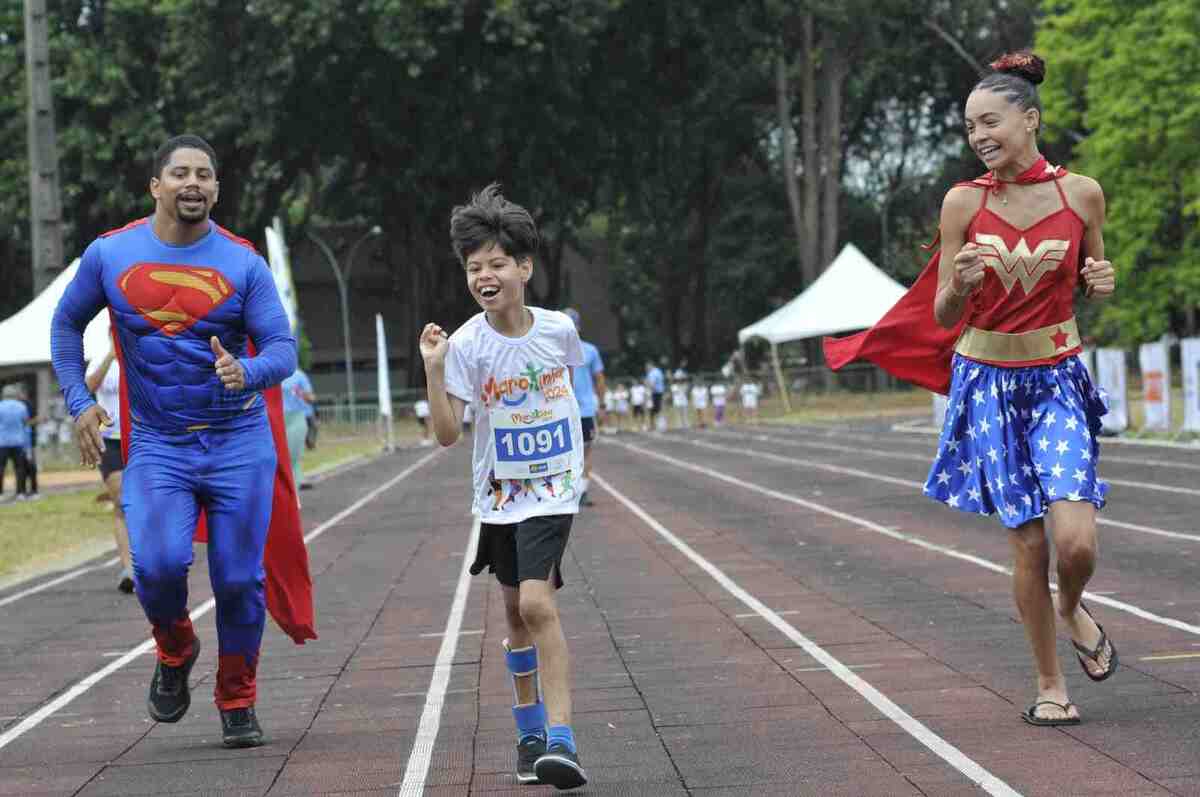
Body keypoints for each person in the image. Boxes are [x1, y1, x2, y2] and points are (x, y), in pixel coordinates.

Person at [827, 53, 1118, 726]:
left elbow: (1095, 273)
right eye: (968, 126)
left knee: (1076, 542)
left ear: (1030, 119)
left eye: (990, 121)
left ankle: (1071, 605)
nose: (979, 135)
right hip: (987, 384)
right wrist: (958, 283)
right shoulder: (964, 202)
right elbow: (940, 316)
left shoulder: (1083, 195)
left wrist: (1103, 283)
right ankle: (1050, 684)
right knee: (1028, 543)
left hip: (1058, 380)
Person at [50, 134, 315, 749]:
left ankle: (238, 697)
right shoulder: (109, 255)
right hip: (160, 444)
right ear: (156, 186)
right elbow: (65, 323)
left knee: (236, 579)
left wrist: (246, 371)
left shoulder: (244, 263)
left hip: (238, 440)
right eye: (180, 174)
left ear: (216, 190)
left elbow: (283, 349)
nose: (192, 184)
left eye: (204, 175)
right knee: (158, 566)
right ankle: (175, 648)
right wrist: (80, 401)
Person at [420, 183, 588, 789]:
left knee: (538, 604)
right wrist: (434, 372)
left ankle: (564, 741)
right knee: (515, 613)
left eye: (496, 264)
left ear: (524, 267)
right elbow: (446, 434)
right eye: (473, 267)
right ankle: (529, 733)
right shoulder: (465, 345)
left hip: (554, 490)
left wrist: (574, 447)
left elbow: (565, 391)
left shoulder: (557, 331)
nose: (484, 275)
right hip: (499, 497)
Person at [86, 347, 134, 592]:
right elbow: (89, 387)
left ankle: (149, 562)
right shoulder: (100, 359)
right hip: (111, 440)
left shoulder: (140, 352)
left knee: (149, 502)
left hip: (141, 437)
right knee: (122, 501)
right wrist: (109, 357)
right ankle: (128, 569)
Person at [562, 308, 606, 508]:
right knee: (567, 453)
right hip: (562, 410)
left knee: (585, 452)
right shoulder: (553, 350)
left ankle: (582, 491)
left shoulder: (589, 350)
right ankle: (571, 491)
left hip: (585, 409)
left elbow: (599, 379)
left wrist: (602, 404)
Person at [280, 367, 316, 490]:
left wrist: (301, 393)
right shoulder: (272, 373)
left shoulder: (299, 375)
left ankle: (294, 490)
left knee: (292, 455)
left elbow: (311, 398)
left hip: (296, 418)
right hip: (276, 418)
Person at [0, 385, 30, 502]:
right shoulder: (21, 406)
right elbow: (25, 424)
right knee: (19, 468)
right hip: (19, 441)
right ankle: (20, 493)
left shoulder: (0, 406)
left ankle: (0, 493)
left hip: (2, 442)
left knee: (1, 468)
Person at [15, 385, 41, 500]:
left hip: (28, 440)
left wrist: (25, 423)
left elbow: (36, 419)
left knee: (30, 466)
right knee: (22, 467)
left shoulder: (26, 405)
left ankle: (33, 491)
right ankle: (23, 491)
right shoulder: (18, 406)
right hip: (20, 440)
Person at [645, 359, 666, 431]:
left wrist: (649, 391)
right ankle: (654, 425)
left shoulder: (654, 372)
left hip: (656, 393)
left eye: (647, 366)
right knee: (654, 409)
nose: (646, 368)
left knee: (656, 409)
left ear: (651, 365)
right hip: (656, 392)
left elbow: (652, 383)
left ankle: (658, 425)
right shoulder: (653, 372)